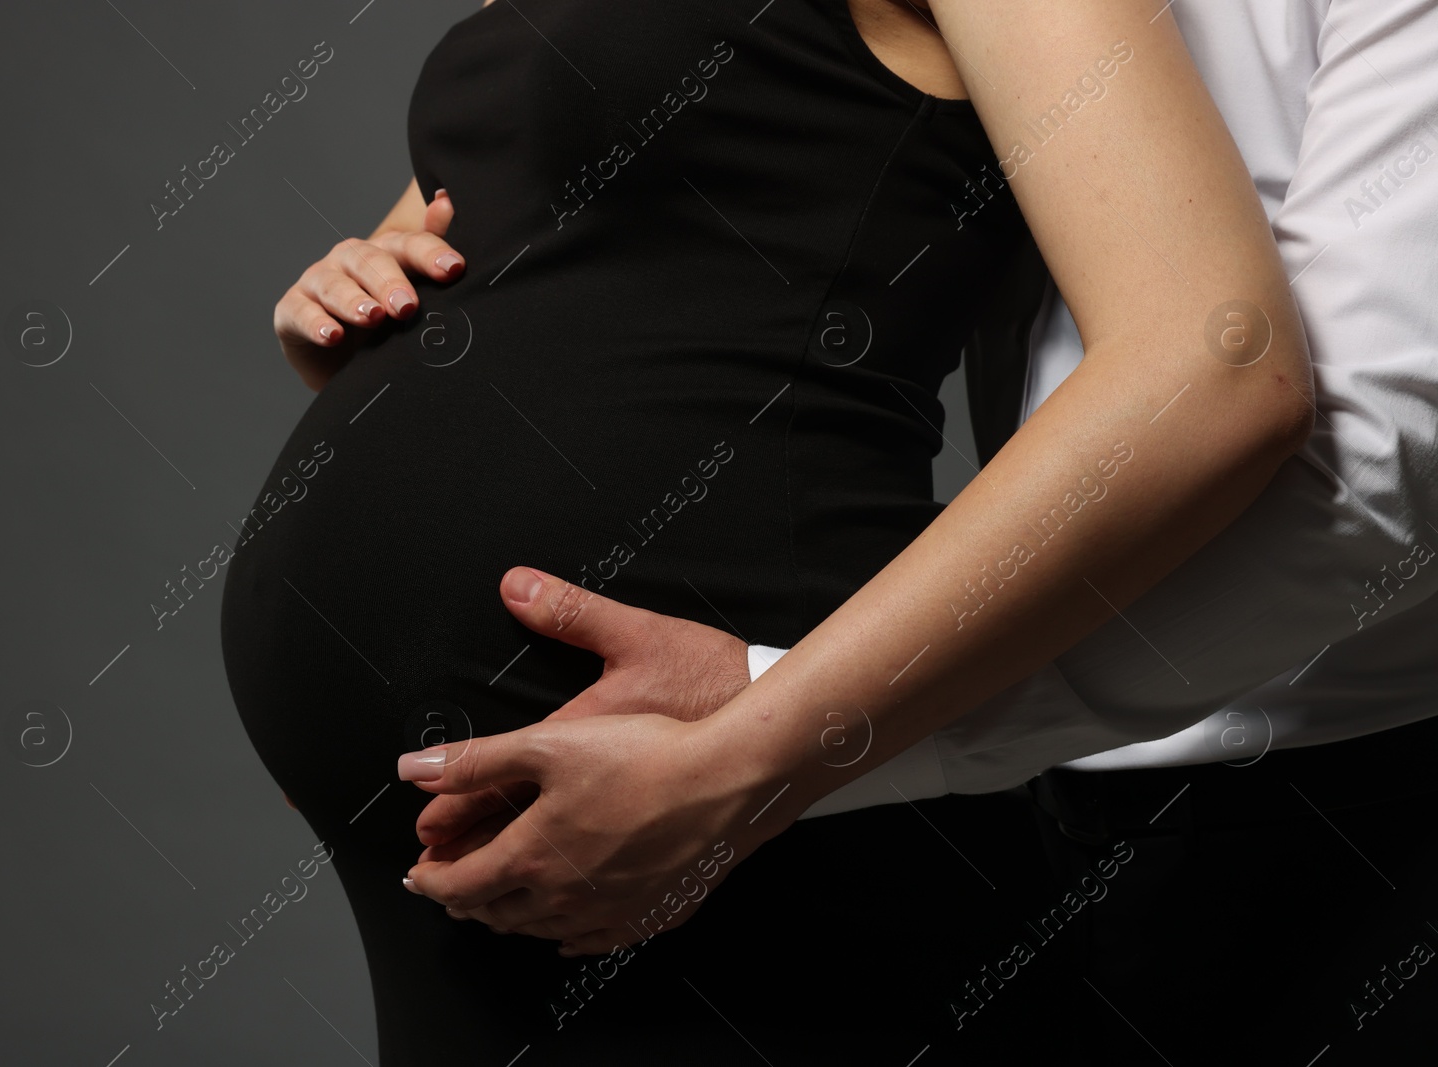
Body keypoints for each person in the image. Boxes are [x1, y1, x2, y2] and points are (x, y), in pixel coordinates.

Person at [221, 0, 1313, 1062]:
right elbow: (523, 246)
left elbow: (1214, 362)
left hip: (735, 810)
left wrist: (737, 767)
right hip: (458, 862)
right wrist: (351, 309)